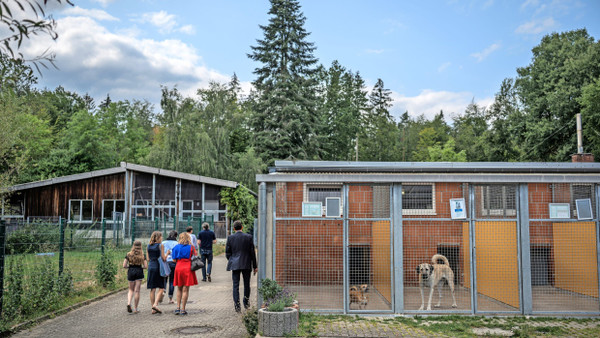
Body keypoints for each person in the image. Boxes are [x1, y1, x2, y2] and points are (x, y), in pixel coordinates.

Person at [225, 220, 257, 312]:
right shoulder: (248, 237)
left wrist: (232, 260)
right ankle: (246, 302)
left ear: (234, 228)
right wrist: (255, 266)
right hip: (246, 263)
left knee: (235, 285)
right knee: (247, 284)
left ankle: (237, 305)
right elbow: (252, 253)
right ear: (242, 227)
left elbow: (228, 253)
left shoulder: (230, 238)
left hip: (235, 264)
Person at [171, 232, 198, 315]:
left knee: (179, 288)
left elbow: (174, 260)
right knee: (185, 289)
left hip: (178, 267)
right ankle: (183, 309)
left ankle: (177, 308)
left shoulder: (176, 247)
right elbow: (195, 257)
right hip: (188, 268)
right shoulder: (191, 247)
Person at [123, 240, 147, 314]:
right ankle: (136, 308)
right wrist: (141, 268)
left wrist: (129, 267)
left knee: (131, 290)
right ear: (140, 246)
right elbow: (146, 266)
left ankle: (129, 303)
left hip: (131, 271)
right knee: (137, 291)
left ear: (133, 246)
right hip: (139, 271)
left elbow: (124, 265)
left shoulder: (129, 254)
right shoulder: (143, 255)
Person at [147, 231, 166, 314]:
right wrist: (168, 253)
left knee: (152, 288)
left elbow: (148, 259)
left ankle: (152, 308)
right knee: (161, 288)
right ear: (158, 237)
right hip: (158, 267)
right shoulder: (160, 246)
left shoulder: (148, 246)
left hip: (151, 266)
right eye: (161, 237)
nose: (162, 238)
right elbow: (163, 258)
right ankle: (155, 304)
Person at [162, 230, 178, 304]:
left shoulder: (163, 243)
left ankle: (163, 290)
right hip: (173, 263)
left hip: (165, 262)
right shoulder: (177, 244)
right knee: (172, 280)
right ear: (176, 236)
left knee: (164, 279)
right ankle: (170, 298)